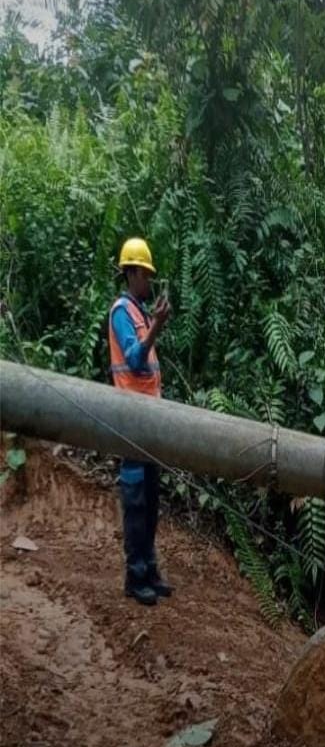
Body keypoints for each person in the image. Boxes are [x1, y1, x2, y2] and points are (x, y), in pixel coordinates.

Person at [108, 237, 173, 606]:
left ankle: (150, 570)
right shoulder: (122, 311)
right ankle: (135, 578)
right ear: (131, 273)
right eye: (145, 275)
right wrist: (156, 328)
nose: (149, 282)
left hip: (148, 422)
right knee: (134, 500)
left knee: (150, 500)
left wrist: (154, 323)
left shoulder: (141, 312)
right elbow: (134, 359)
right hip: (130, 419)